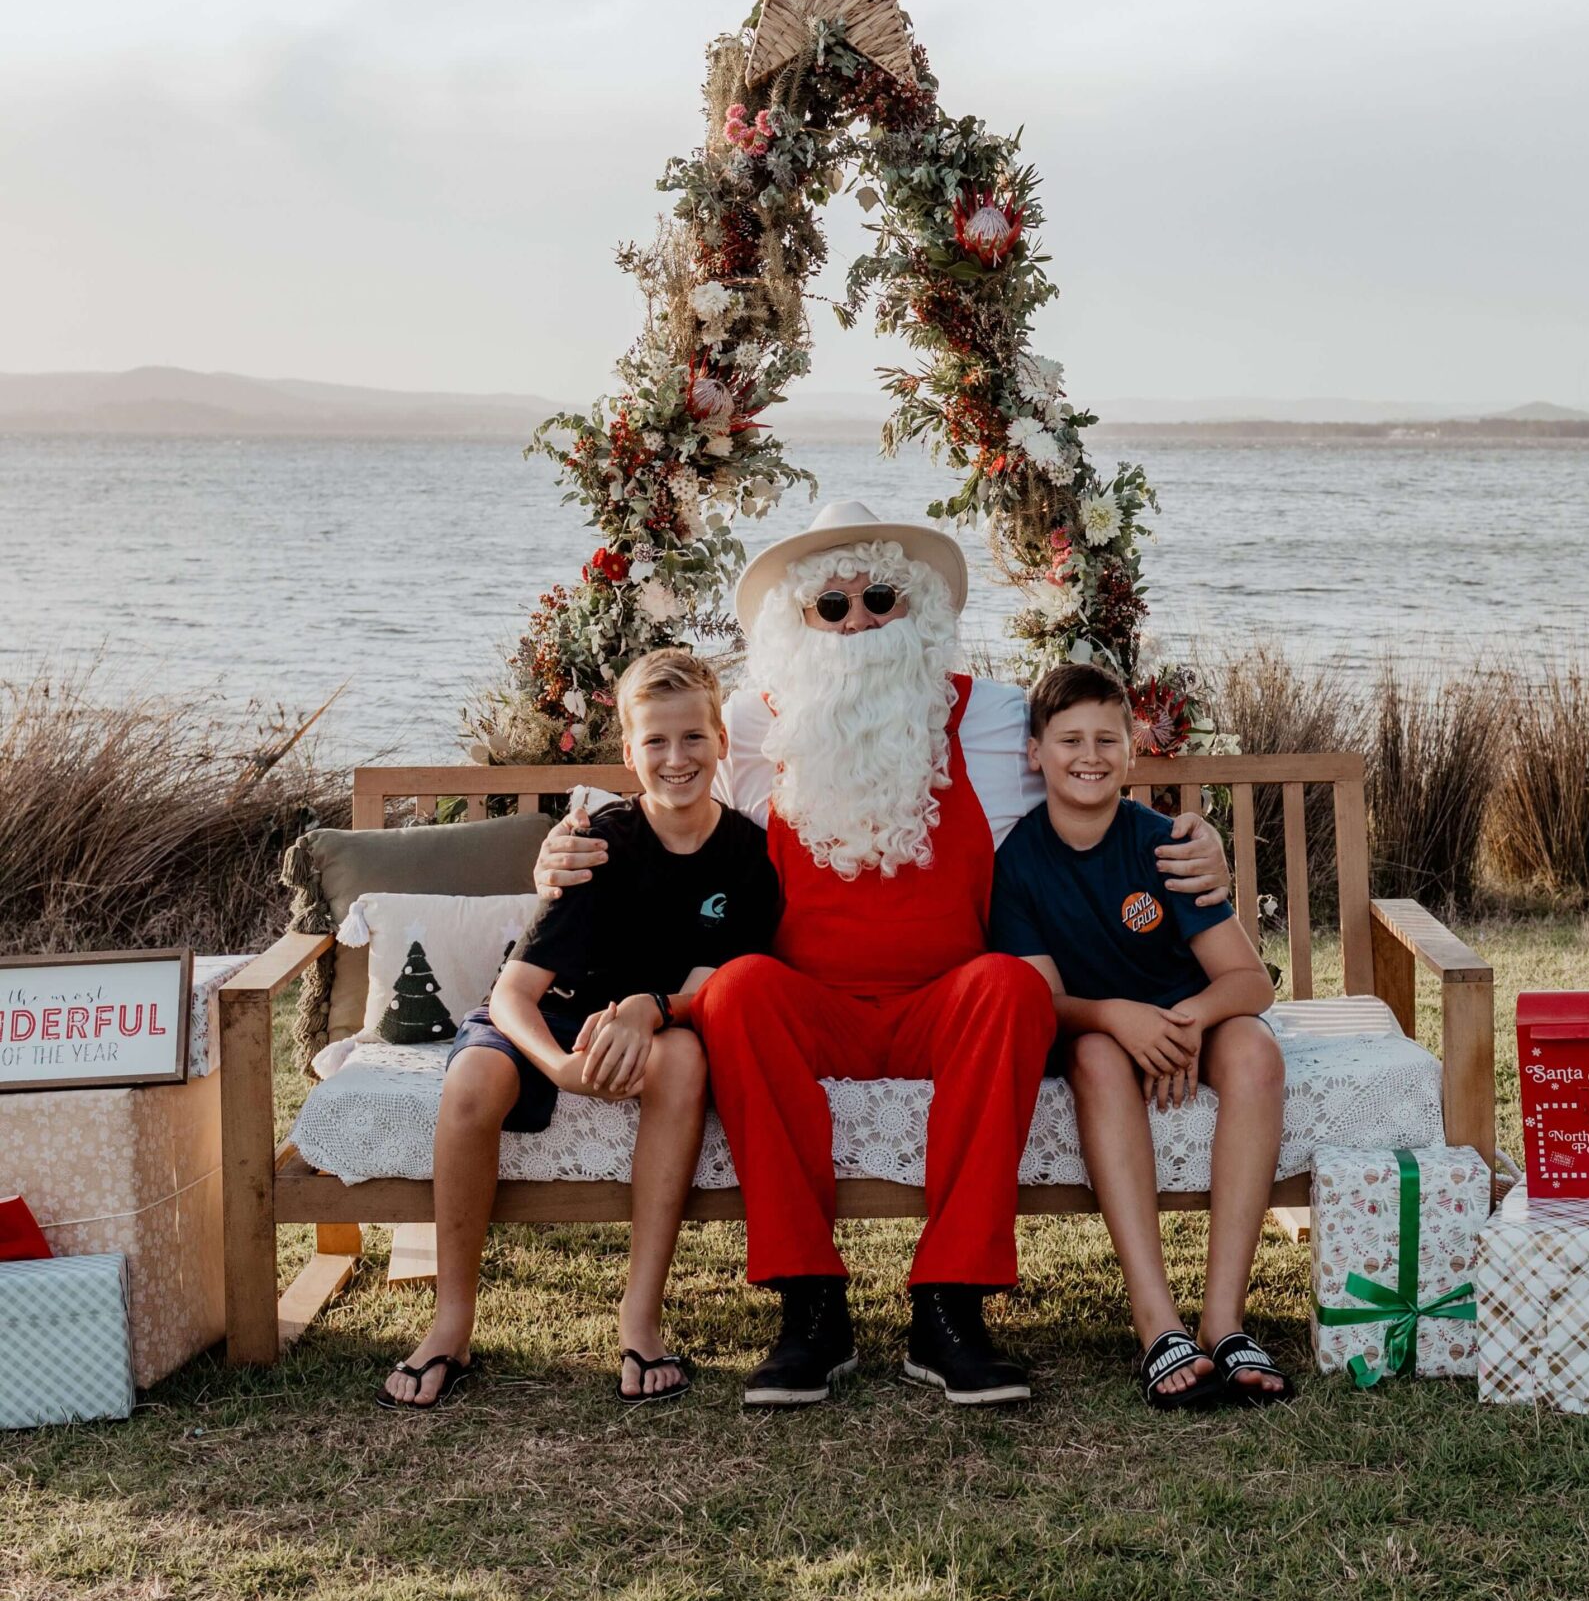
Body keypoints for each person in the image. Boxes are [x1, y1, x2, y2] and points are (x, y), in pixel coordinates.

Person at [533, 497, 1234, 1411]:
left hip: (942, 1006)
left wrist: (1199, 834)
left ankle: (950, 1309)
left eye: (879, 600)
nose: (857, 622)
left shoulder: (993, 721)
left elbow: (1091, 772)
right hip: (811, 1009)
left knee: (1014, 988)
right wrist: (557, 845)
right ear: (799, 624)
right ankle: (809, 1307)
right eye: (831, 607)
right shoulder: (750, 725)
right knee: (739, 989)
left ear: (921, 613)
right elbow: (658, 782)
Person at [378, 649, 779, 1412]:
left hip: (660, 1020)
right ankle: (451, 1323)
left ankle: (640, 1319)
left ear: (722, 741)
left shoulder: (749, 856)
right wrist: (559, 1066)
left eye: (693, 737)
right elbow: (511, 997)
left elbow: (713, 986)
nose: (676, 758)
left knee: (685, 1062)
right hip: (556, 1014)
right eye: (655, 742)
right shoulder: (596, 841)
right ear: (628, 753)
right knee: (471, 1079)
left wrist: (645, 1009)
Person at [989, 661, 1290, 1410]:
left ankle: (1224, 1322)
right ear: (1035, 754)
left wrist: (1184, 1023)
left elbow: (1251, 983)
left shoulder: (1166, 845)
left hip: (1183, 1019)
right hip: (1092, 1030)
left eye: (1106, 739)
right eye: (1068, 740)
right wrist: (1119, 1017)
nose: (1088, 755)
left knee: (1255, 1048)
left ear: (1131, 751)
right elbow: (1043, 1001)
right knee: (1094, 1054)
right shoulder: (1018, 863)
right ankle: (1157, 1325)